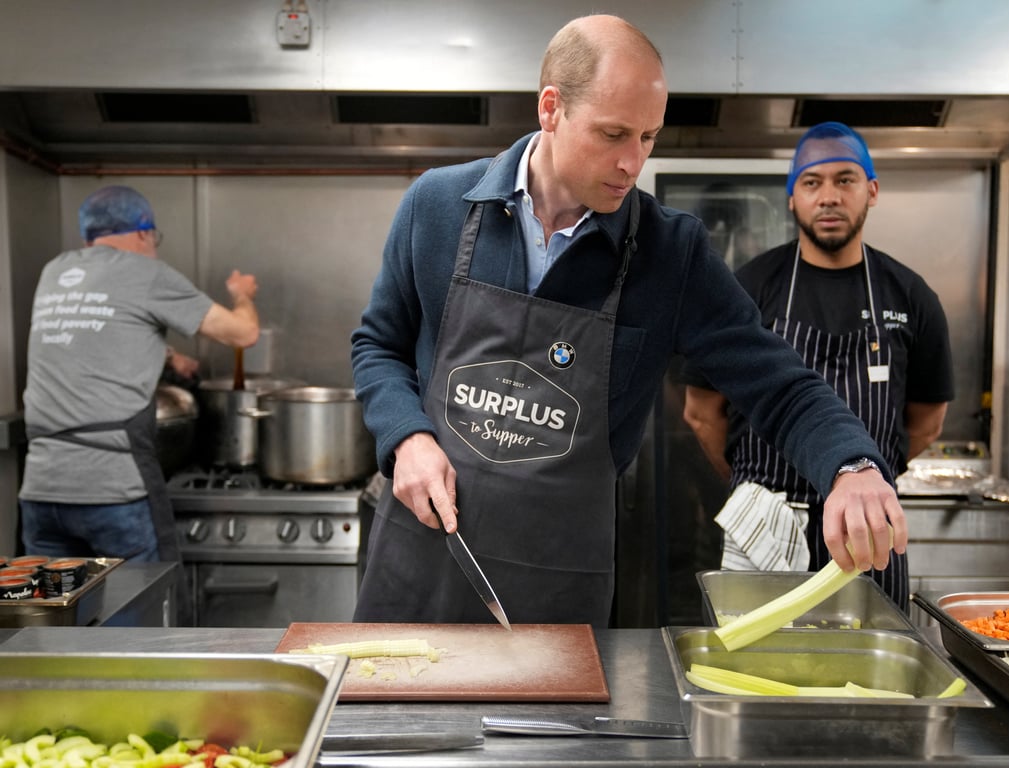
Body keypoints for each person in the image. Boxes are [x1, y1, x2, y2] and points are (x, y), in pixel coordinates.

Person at [351, 15, 907, 627]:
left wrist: (852, 467)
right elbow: (378, 345)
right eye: (613, 134)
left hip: (556, 582)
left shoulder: (671, 253)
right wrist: (406, 436)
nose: (631, 163)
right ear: (551, 108)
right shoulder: (436, 206)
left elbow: (781, 387)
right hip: (425, 550)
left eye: (648, 137)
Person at [682, 122, 954, 610]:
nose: (829, 196)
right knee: (752, 675)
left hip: (868, 533)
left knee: (867, 676)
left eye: (845, 180)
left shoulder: (911, 297)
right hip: (763, 523)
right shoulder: (748, 286)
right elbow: (702, 412)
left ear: (872, 190)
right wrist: (753, 481)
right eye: (812, 182)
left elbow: (927, 423)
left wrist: (873, 476)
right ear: (791, 198)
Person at [19, 185, 261, 566]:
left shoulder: (56, 271)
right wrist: (242, 294)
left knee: (54, 621)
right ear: (144, 232)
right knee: (143, 617)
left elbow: (95, 331)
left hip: (40, 491)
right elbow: (243, 334)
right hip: (113, 490)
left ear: (89, 236)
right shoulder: (146, 273)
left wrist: (169, 356)